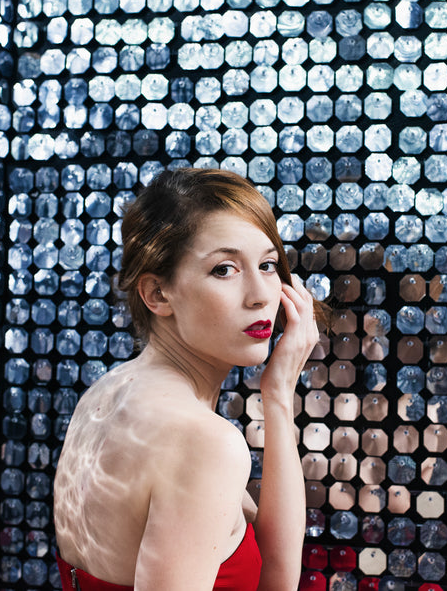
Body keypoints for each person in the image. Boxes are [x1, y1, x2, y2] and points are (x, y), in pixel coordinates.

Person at [53, 167, 329, 590]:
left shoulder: (103, 395)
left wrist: (277, 396)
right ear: (157, 294)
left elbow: (271, 552)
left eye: (269, 264)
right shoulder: (203, 441)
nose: (260, 294)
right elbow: (278, 583)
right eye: (224, 269)